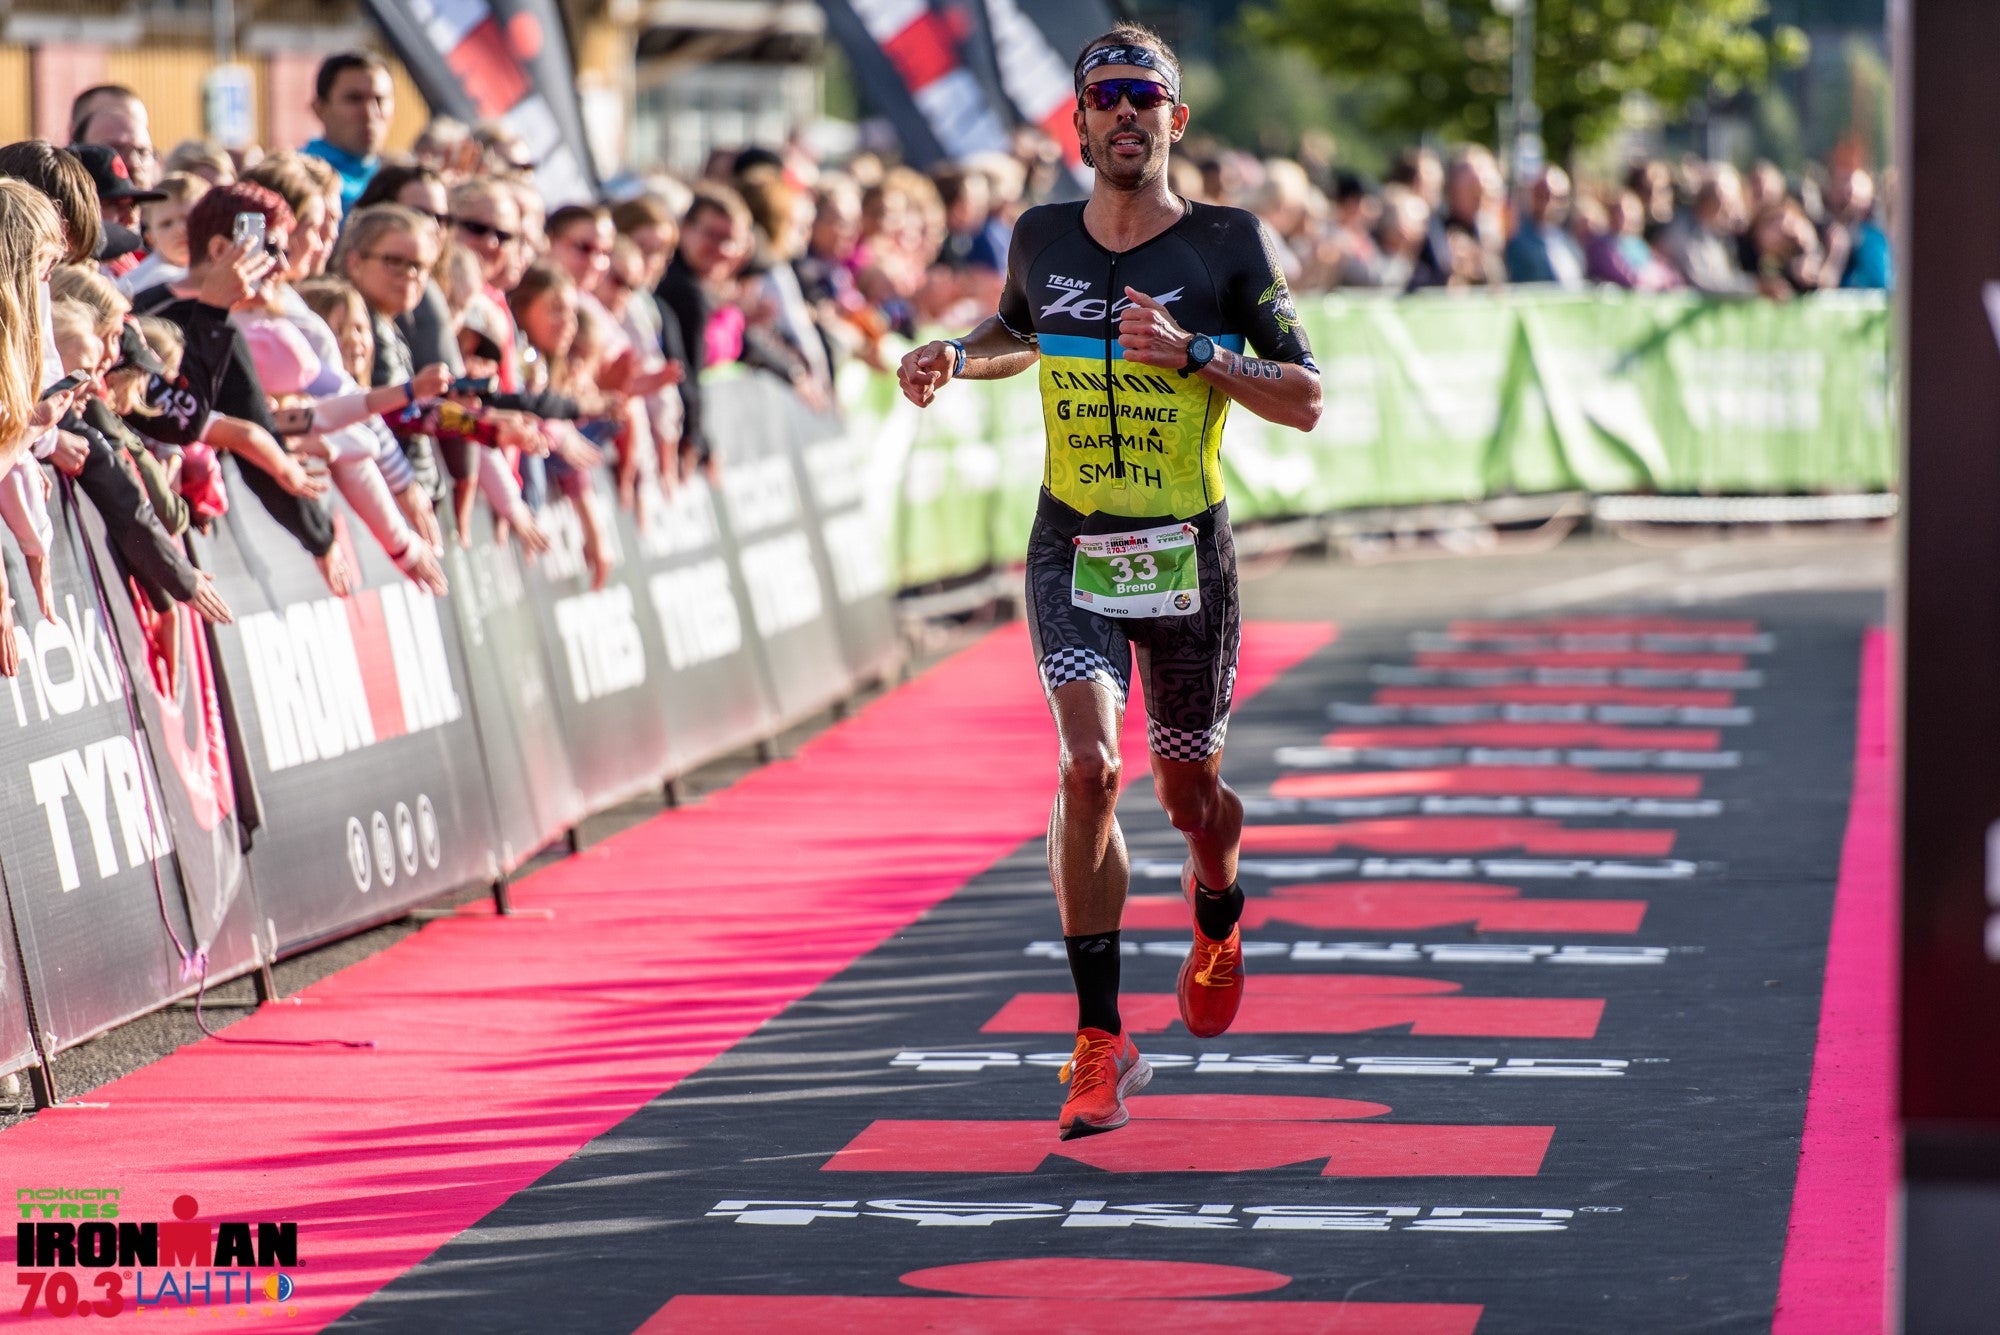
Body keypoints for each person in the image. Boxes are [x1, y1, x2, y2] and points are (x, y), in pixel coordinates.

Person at [896, 22, 1322, 1140]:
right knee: (1088, 768)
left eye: (1145, 97)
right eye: (1105, 99)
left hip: (1186, 557)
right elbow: (1019, 329)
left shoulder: (1227, 243)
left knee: (1189, 802)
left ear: (1174, 121)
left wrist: (1198, 354)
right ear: (1079, 122)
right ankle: (1097, 1040)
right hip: (1071, 546)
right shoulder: (1040, 233)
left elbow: (1305, 394)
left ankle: (1217, 908)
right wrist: (956, 351)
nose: (1124, 114)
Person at [303, 51, 395, 214]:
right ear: (319, 109)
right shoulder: (297, 178)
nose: (369, 113)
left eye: (380, 100)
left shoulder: (400, 182)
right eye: (354, 99)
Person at [1505, 165, 1586, 288]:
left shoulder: (1569, 241)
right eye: (1542, 194)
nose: (1549, 203)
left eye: (1558, 198)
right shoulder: (1519, 242)